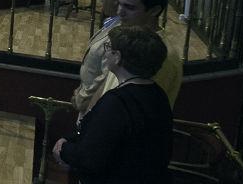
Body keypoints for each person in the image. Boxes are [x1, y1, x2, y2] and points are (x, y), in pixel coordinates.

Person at [53, 26, 173, 184]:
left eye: (109, 47)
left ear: (117, 57)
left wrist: (64, 149)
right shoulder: (158, 94)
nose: (106, 52)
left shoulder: (116, 103)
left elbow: (89, 157)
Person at [91, 0, 183, 111]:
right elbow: (105, 85)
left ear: (154, 10)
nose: (119, 12)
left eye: (129, 7)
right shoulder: (125, 37)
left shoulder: (162, 56)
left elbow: (137, 111)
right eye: (119, 3)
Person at [71, 0, 129, 117]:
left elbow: (105, 76)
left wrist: (81, 98)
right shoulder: (111, 23)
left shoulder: (119, 33)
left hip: (93, 107)